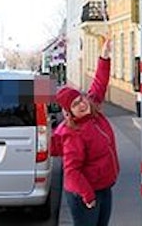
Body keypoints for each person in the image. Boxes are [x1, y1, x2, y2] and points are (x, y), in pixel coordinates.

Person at [50, 36, 119, 226]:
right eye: (74, 105)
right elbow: (71, 172)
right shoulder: (73, 134)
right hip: (85, 194)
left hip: (104, 187)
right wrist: (87, 196)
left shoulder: (92, 110)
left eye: (80, 99)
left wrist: (104, 56)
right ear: (69, 112)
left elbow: (99, 83)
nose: (81, 104)